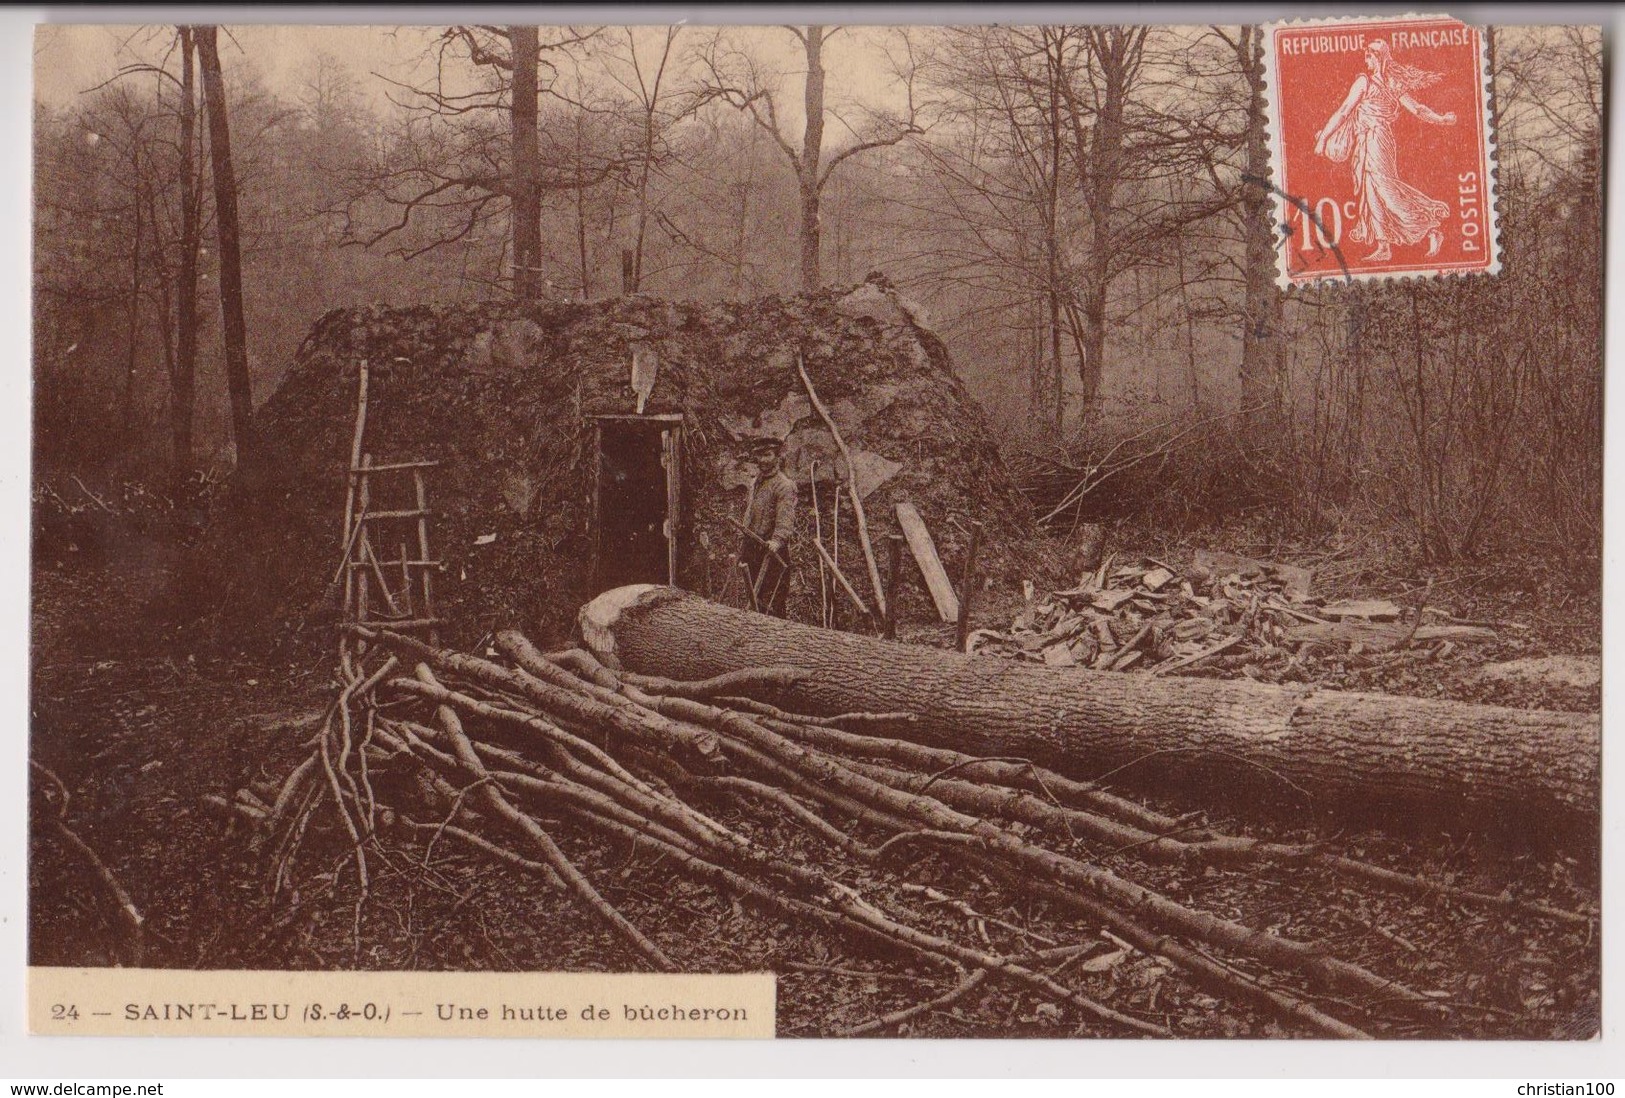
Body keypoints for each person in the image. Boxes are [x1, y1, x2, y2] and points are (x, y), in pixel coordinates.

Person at [1314, 39, 1457, 262]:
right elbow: (1344, 112)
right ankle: (1384, 246)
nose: (1366, 60)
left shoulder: (1372, 83)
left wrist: (1441, 119)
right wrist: (1441, 119)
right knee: (1371, 192)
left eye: (1369, 56)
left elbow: (1416, 109)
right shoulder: (1380, 83)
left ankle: (1429, 228)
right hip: (1367, 141)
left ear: (1378, 57)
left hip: (1377, 139)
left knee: (1385, 189)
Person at [741, 437, 796, 616]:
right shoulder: (756, 482)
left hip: (772, 552)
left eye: (767, 455)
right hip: (753, 548)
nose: (763, 460)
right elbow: (751, 511)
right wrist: (744, 532)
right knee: (753, 598)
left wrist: (777, 541)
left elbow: (785, 519)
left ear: (777, 457)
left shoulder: (784, 486)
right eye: (759, 455)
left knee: (772, 602)